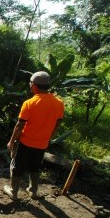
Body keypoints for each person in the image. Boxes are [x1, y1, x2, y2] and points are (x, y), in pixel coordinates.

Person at [4, 71, 65, 200]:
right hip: (42, 143)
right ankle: (33, 191)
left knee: (17, 166)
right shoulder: (59, 103)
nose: (30, 86)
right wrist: (49, 136)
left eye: (30, 83)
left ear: (35, 86)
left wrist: (11, 141)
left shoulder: (29, 103)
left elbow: (19, 125)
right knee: (35, 166)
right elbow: (58, 122)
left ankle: (14, 192)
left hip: (26, 142)